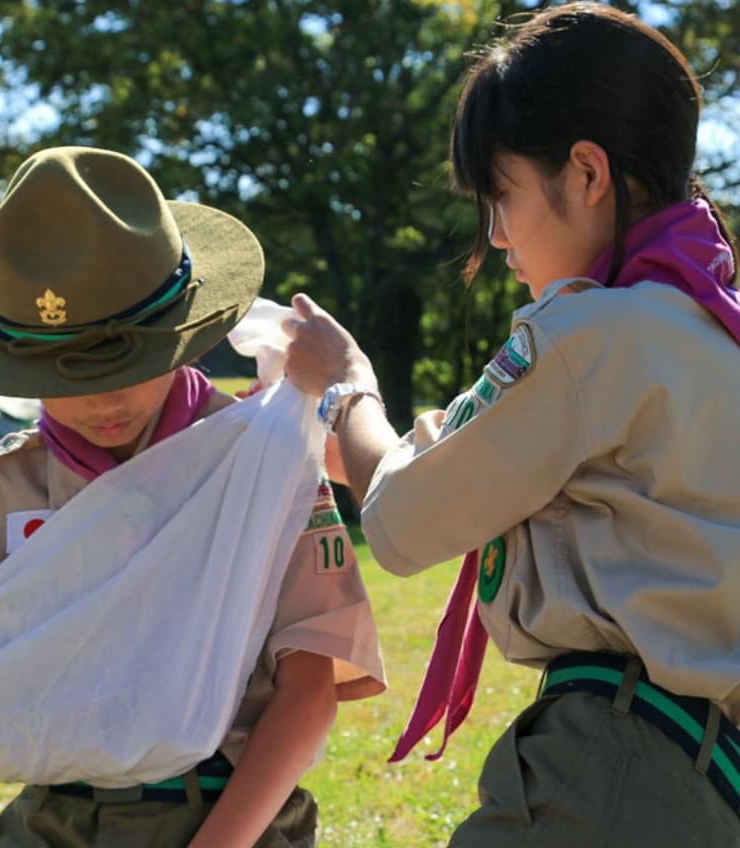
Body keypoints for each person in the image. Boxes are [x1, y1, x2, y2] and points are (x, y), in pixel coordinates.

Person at [282, 4, 740, 845]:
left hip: (616, 765)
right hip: (708, 778)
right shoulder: (709, 328)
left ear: (588, 174)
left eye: (500, 195)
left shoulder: (589, 336)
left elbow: (403, 516)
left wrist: (346, 393)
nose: (494, 237)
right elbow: (459, 468)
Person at [0, 146, 385, 848]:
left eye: (127, 360)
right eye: (63, 373)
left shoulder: (259, 465)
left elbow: (306, 695)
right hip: (53, 818)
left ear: (184, 333)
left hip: (229, 814)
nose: (100, 400)